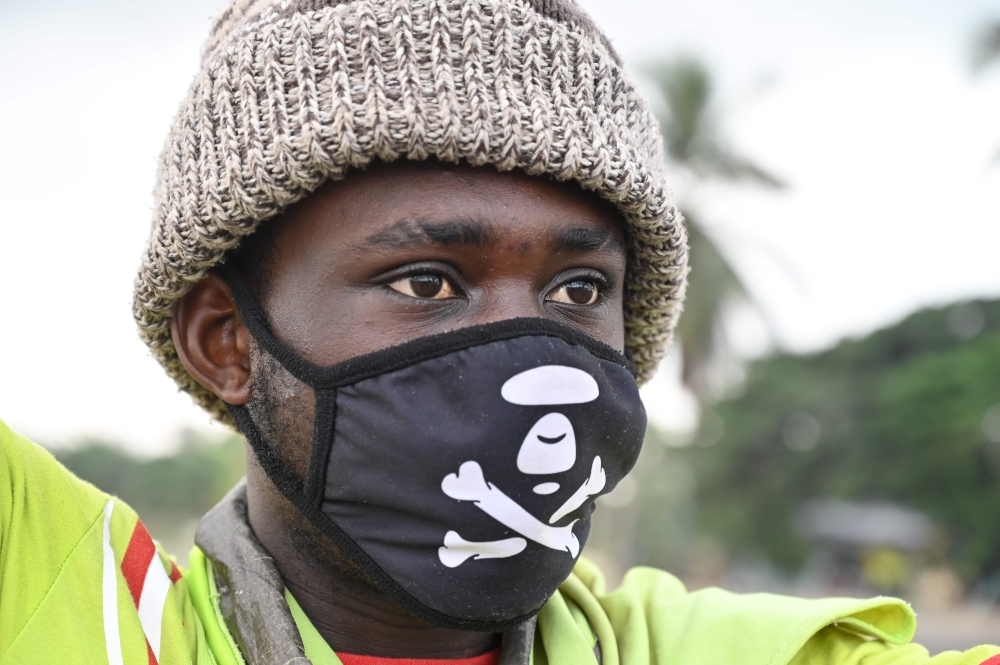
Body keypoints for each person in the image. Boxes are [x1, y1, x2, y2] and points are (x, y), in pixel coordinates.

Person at [0, 1, 997, 663]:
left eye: (575, 289)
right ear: (225, 339)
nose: (532, 359)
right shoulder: (66, 604)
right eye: (427, 280)